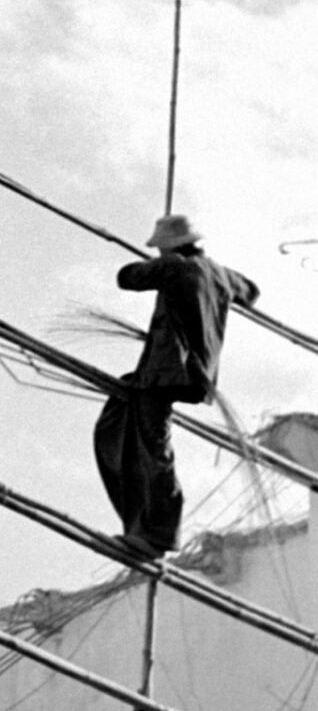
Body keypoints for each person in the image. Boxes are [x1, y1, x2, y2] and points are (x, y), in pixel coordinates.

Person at [93, 214, 258, 560]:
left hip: (166, 370)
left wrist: (163, 265)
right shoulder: (220, 273)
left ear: (168, 246)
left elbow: (127, 277)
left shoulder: (174, 267)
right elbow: (251, 291)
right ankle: (147, 528)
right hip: (195, 375)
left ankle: (157, 535)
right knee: (137, 427)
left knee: (153, 449)